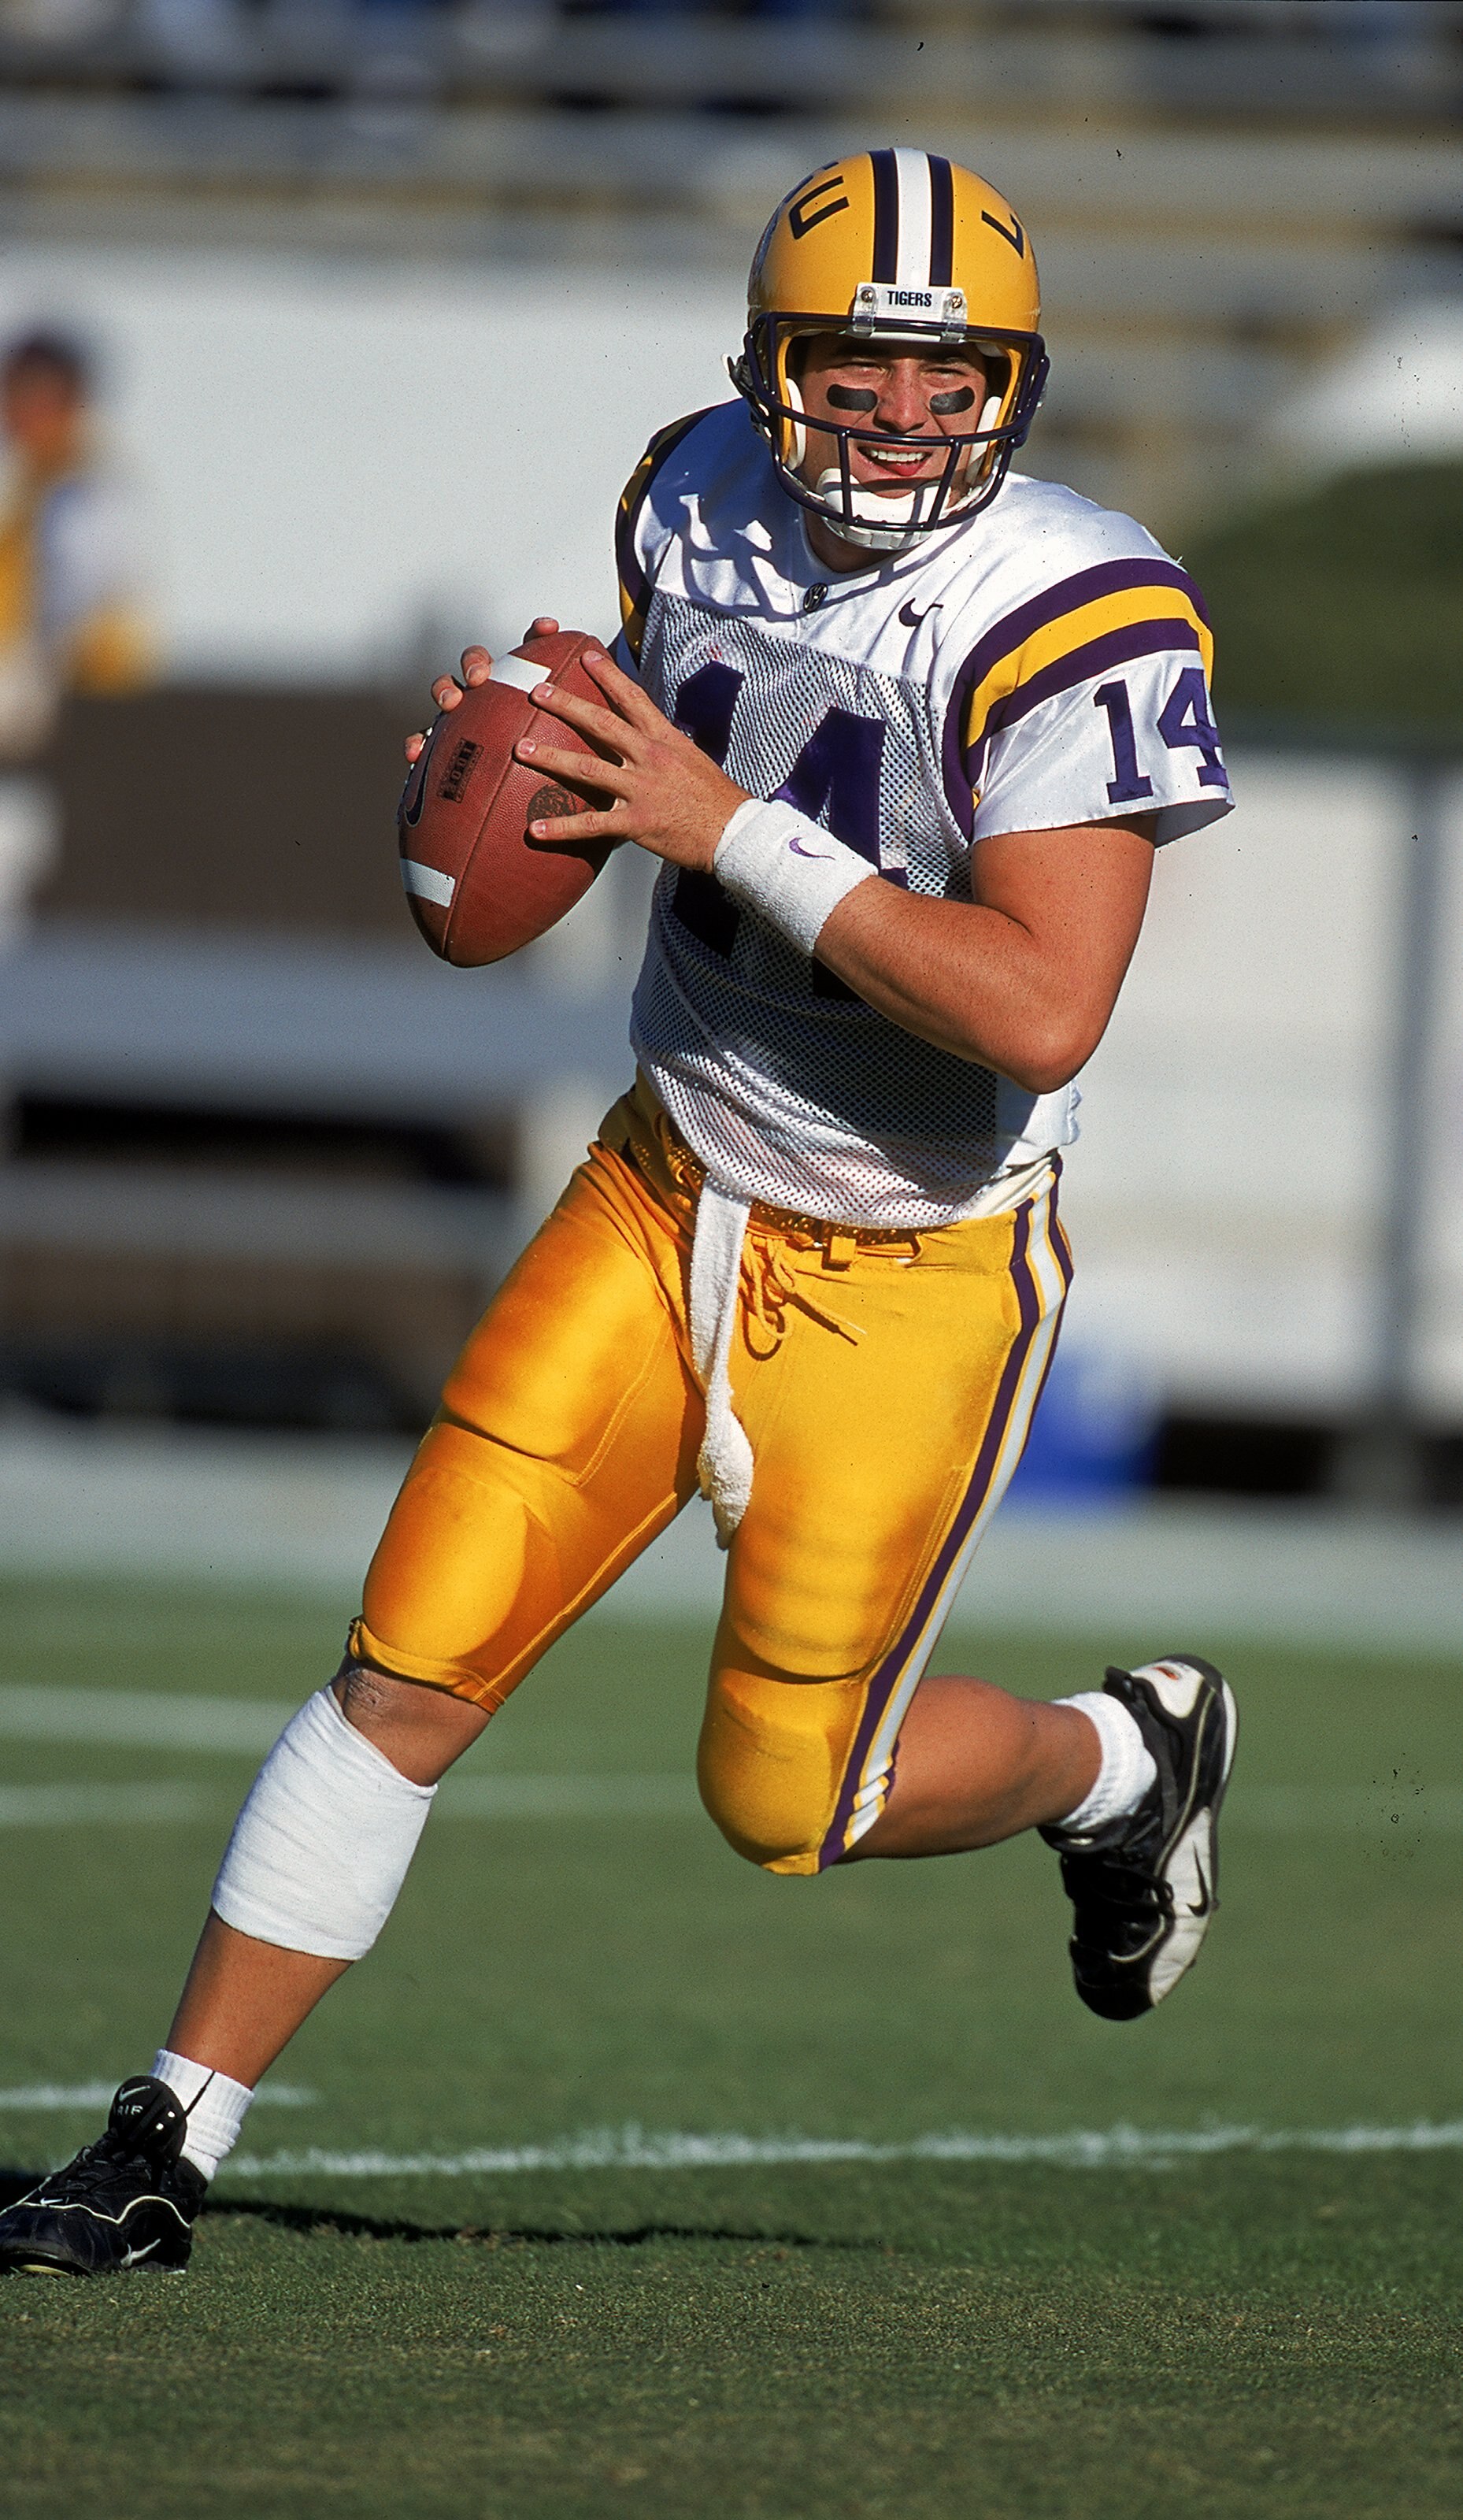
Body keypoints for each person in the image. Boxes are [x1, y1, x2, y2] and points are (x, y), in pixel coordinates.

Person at [0, 150, 1237, 2279]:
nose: (891, 421)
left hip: (912, 1266)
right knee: (411, 1655)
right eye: (846, 372)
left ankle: (1119, 1758)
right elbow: (653, 731)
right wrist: (543, 760)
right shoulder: (687, 492)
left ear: (1011, 393)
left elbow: (1040, 1008)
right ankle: (161, 2137)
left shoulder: (1073, 605)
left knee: (789, 1801)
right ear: (766, 372)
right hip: (661, 1173)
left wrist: (715, 816)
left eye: (943, 383)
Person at [0, 329, 152, 941]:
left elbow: (69, 623)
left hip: (67, 733)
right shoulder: (40, 484)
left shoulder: (81, 492)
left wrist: (28, 695)